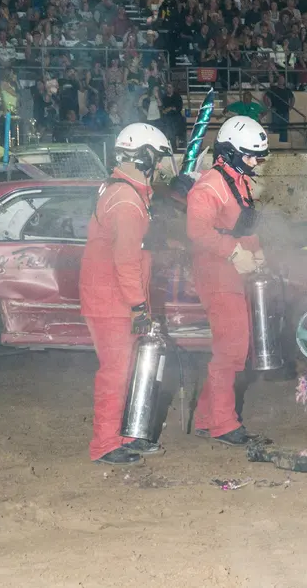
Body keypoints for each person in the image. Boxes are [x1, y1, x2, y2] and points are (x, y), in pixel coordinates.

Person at [80, 123, 176, 466]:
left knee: (126, 369)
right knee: (116, 371)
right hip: (112, 298)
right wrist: (138, 306)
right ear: (145, 155)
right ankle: (105, 444)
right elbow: (125, 260)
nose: (163, 165)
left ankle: (122, 436)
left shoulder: (124, 190)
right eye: (160, 157)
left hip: (111, 293)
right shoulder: (127, 200)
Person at [186, 116, 271, 447]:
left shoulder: (238, 181)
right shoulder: (209, 186)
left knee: (234, 346)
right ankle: (223, 423)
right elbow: (198, 231)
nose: (256, 162)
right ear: (232, 153)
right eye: (251, 156)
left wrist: (258, 252)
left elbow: (245, 226)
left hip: (234, 270)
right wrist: (235, 253)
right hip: (216, 271)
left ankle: (208, 418)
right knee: (232, 348)